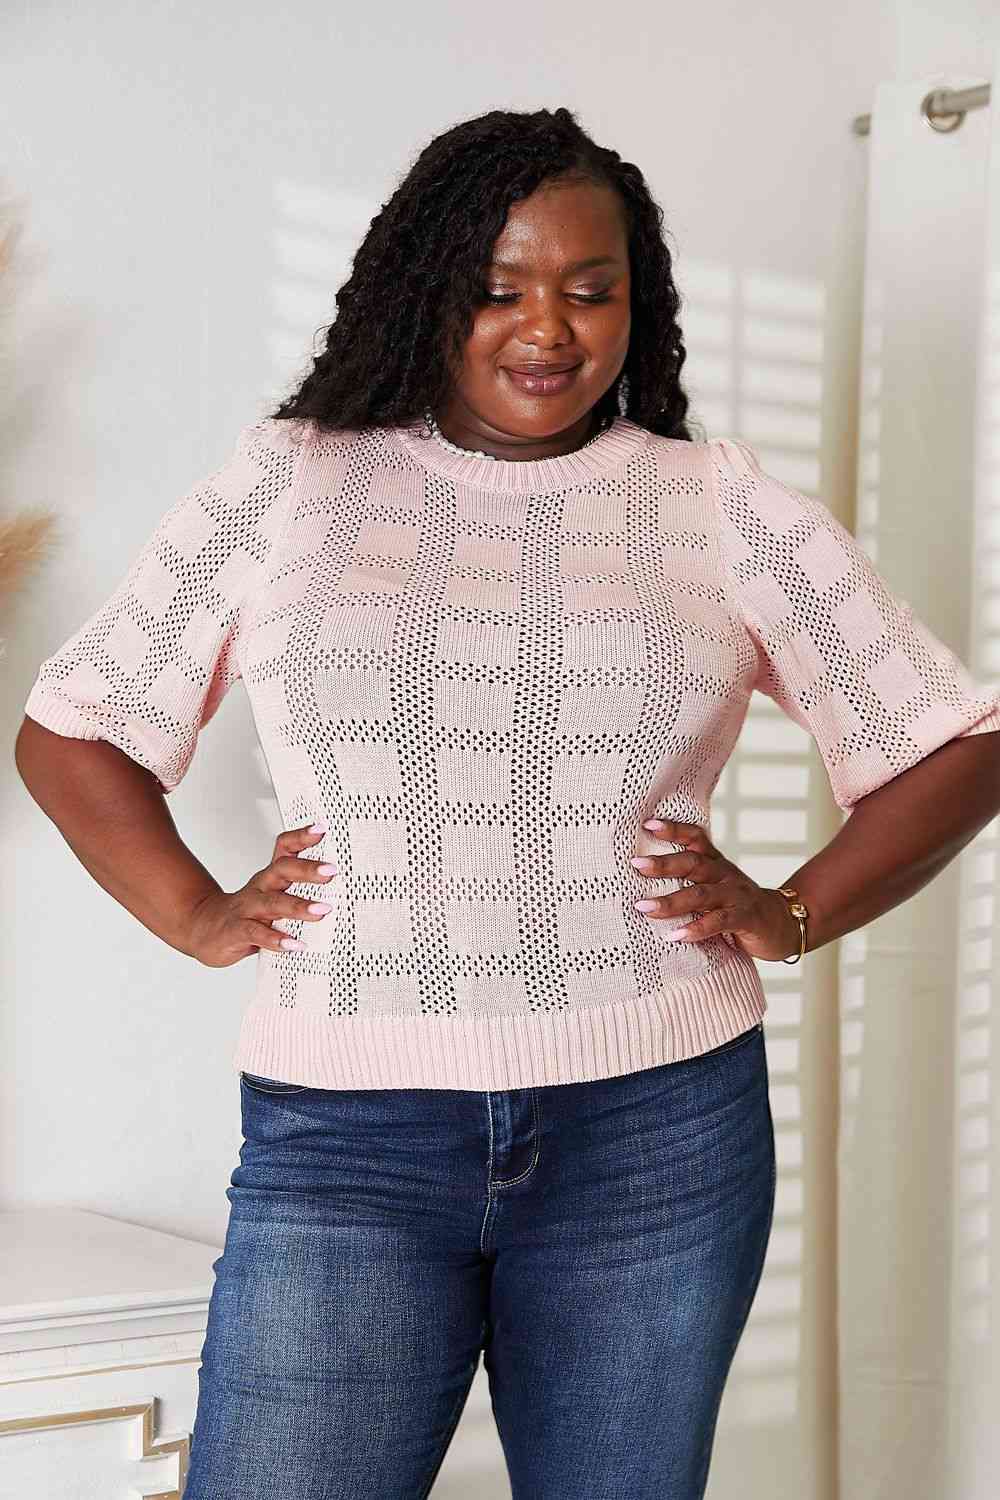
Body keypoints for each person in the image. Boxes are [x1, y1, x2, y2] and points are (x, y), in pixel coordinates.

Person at [15, 106, 1000, 1500]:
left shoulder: (710, 502)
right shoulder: (296, 479)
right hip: (349, 1132)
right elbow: (75, 728)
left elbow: (955, 742)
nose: (548, 329)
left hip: (657, 1132)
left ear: (635, 308)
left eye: (591, 291)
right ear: (428, 291)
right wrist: (194, 911)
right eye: (499, 288)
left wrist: (787, 911)